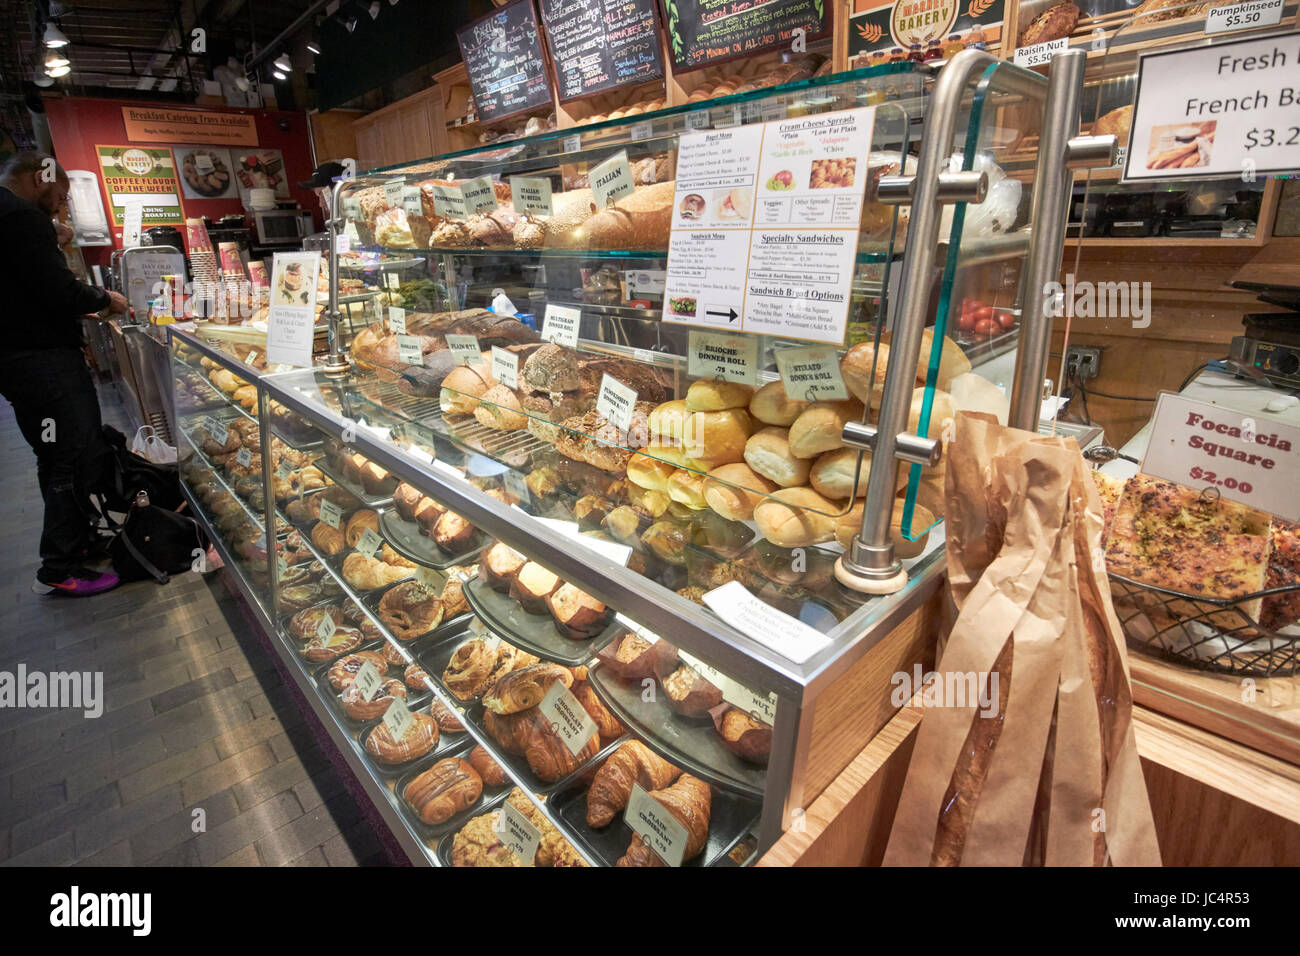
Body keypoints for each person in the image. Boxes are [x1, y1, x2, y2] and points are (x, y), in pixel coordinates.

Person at [0, 151, 130, 596]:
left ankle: (77, 541)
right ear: (42, 176)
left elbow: (29, 290)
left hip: (20, 363)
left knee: (59, 453)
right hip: (44, 363)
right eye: (60, 193)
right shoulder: (21, 218)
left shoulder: (10, 215)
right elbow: (56, 288)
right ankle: (60, 564)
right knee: (71, 453)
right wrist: (102, 299)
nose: (61, 203)